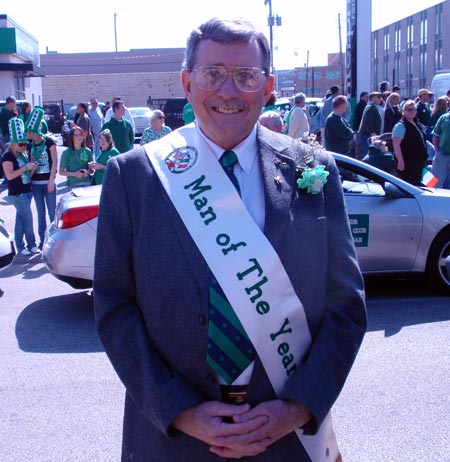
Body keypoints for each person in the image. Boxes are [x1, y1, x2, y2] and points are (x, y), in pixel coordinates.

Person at [94, 17, 366, 462]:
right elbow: (114, 308)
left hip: (285, 440)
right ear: (186, 81)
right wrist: (179, 411)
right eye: (213, 73)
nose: (228, 90)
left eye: (246, 76)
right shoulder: (133, 177)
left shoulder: (311, 170)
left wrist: (298, 407)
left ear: (268, 85)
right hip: (170, 442)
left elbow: (346, 306)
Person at [1, 118, 40, 256]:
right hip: (17, 194)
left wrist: (32, 167)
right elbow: (10, 176)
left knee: (20, 221)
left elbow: (28, 174)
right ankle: (31, 245)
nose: (24, 146)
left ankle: (20, 246)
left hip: (26, 191)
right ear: (12, 144)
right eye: (21, 144)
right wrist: (25, 167)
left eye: (25, 144)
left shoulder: (22, 154)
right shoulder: (7, 157)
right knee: (28, 220)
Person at [25, 106, 58, 250]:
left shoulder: (49, 141)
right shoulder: (29, 145)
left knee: (52, 213)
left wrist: (51, 180)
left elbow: (54, 162)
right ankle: (42, 242)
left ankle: (55, 241)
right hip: (36, 184)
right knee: (40, 214)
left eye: (28, 131)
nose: (26, 133)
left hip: (48, 182)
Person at [392, 100, 428, 186]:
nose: (412, 112)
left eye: (414, 109)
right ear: (403, 111)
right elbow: (396, 145)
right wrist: (400, 161)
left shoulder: (416, 123)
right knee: (410, 187)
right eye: (409, 110)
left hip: (420, 162)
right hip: (408, 163)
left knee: (431, 184)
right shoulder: (400, 126)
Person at [358, 92, 383, 157]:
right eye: (378, 97)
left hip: (368, 135)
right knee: (368, 154)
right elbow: (367, 120)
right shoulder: (371, 107)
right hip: (367, 135)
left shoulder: (373, 107)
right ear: (373, 98)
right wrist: (372, 132)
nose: (380, 99)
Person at [432, 107, 450, 189]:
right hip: (442, 154)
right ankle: (430, 200)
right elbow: (436, 135)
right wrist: (437, 151)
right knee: (433, 184)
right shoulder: (444, 117)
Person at [352, 92, 369, 160]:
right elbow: (358, 118)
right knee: (359, 145)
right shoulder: (362, 105)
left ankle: (358, 158)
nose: (368, 98)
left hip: (358, 128)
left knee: (358, 145)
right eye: (366, 97)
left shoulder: (359, 105)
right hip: (360, 128)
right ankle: (358, 159)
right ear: (362, 97)